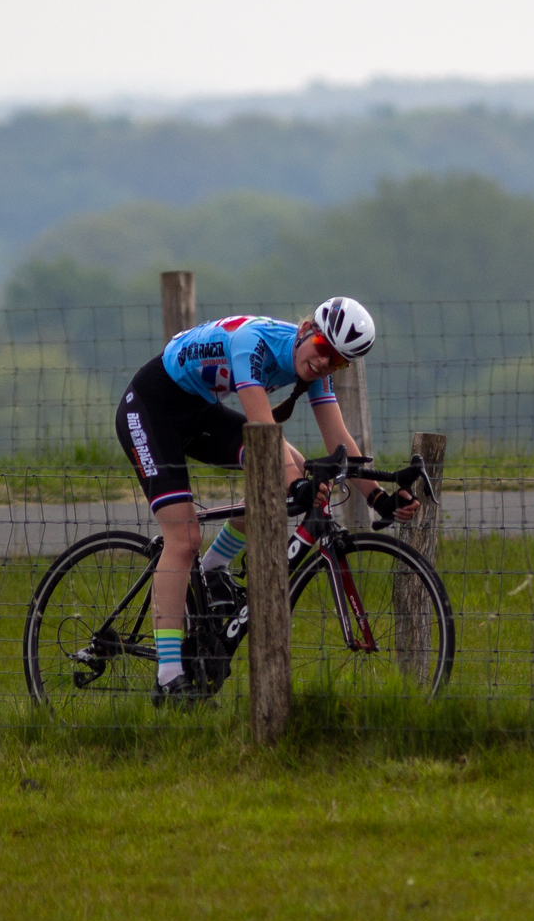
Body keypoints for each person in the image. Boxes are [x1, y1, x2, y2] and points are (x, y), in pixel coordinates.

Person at [114, 295, 413, 702]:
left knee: (290, 470)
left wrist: (379, 497)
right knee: (183, 539)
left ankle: (216, 567)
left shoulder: (315, 370)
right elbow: (263, 431)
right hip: (150, 408)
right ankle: (168, 677)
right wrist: (295, 485)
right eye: (324, 350)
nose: (325, 363)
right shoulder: (252, 343)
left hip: (199, 411)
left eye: (338, 362)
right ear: (308, 331)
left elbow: (340, 440)